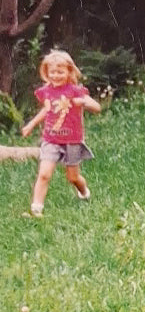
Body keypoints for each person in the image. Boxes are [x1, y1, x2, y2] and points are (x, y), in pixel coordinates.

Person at [21, 50, 101, 217]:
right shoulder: (46, 91)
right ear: (46, 72)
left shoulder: (75, 90)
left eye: (60, 72)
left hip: (72, 139)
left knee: (73, 177)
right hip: (51, 139)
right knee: (44, 174)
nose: (56, 75)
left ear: (69, 71)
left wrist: (83, 103)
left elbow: (97, 108)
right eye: (52, 72)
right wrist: (31, 124)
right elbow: (47, 110)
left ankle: (84, 192)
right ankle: (36, 209)